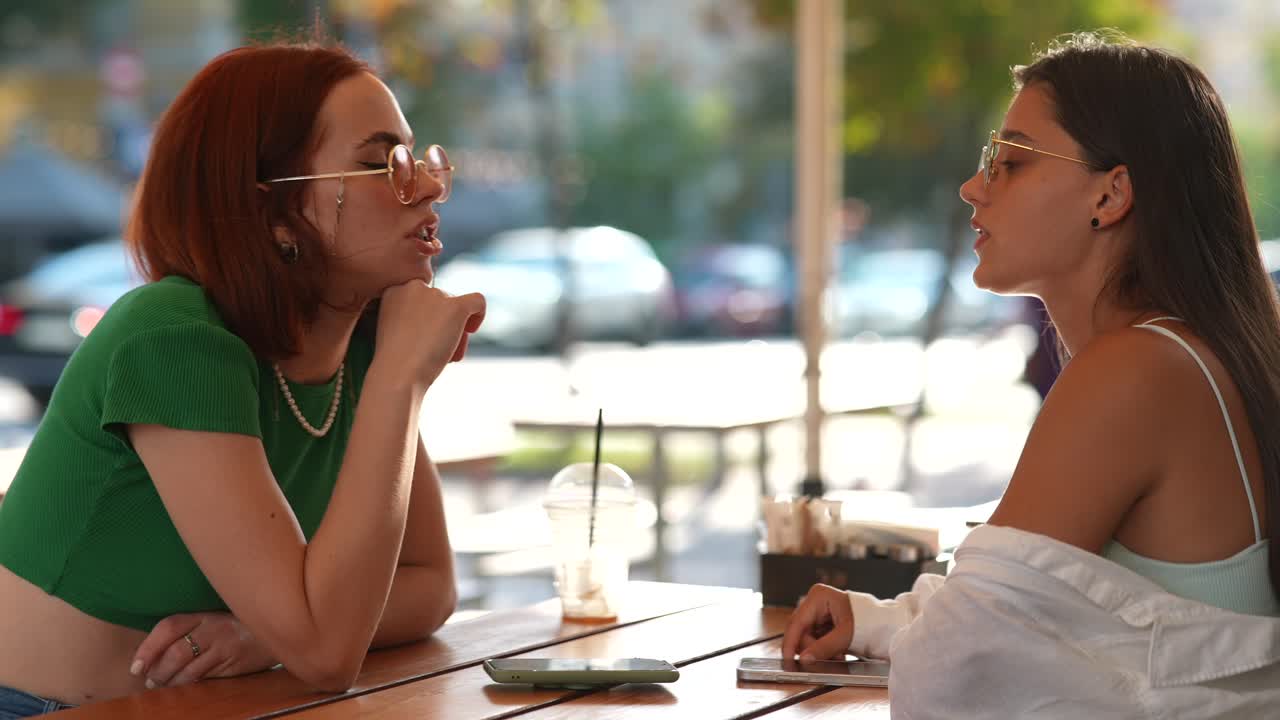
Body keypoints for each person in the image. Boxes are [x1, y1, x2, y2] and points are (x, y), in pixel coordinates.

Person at [782, 31, 1280, 717]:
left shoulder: (1135, 371)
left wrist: (915, 631)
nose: (973, 186)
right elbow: (1050, 617)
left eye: (1011, 161)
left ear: (1111, 195)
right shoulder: (1186, 351)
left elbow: (956, 671)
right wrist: (878, 624)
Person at [0, 42, 486, 716]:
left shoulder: (362, 339)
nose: (430, 186)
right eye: (382, 163)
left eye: (419, 159)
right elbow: (325, 655)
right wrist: (401, 380)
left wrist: (263, 635)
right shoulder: (173, 336)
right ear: (271, 211)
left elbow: (430, 585)